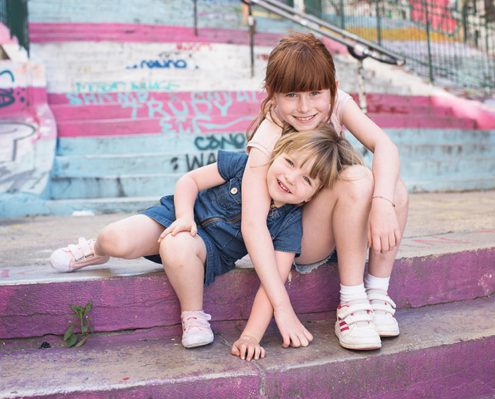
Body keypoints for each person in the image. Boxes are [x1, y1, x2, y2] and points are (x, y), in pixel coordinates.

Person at [50, 126, 361, 350]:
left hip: (206, 251)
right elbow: (190, 180)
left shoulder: (289, 223)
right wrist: (184, 216)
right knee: (115, 239)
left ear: (313, 196)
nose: (290, 178)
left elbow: (274, 282)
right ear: (276, 154)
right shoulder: (243, 165)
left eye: (306, 179)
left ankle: (194, 315)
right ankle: (95, 249)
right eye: (290, 163)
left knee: (178, 245)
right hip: (174, 217)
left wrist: (251, 336)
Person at [231, 32, 409, 361]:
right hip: (298, 241)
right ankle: (352, 304)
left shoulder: (337, 104)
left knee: (393, 186)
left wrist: (383, 202)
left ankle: (377, 296)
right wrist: (280, 306)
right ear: (272, 95)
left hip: (343, 225)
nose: (305, 107)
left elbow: (385, 145)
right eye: (291, 95)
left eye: (316, 93)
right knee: (357, 178)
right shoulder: (267, 137)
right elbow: (253, 226)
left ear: (333, 89)